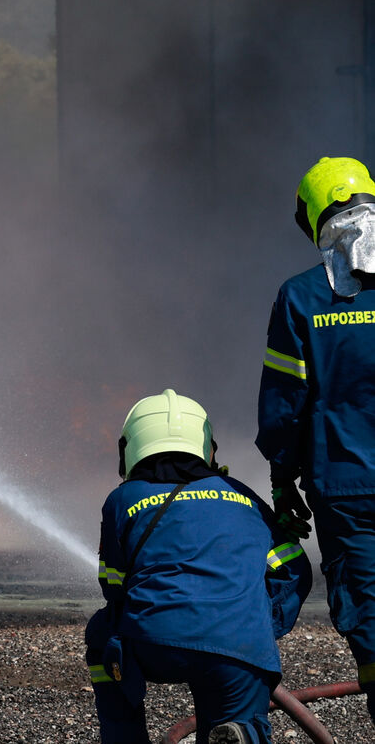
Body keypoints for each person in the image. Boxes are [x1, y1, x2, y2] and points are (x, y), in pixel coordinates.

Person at [88, 389, 310, 744]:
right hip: (241, 643)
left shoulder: (122, 500)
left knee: (101, 634)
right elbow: (294, 569)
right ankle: (238, 731)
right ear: (207, 446)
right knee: (237, 722)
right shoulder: (245, 497)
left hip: (155, 641)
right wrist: (261, 623)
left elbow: (112, 584)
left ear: (129, 448)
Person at [257, 154, 375, 722]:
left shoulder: (303, 297)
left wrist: (283, 482)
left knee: (371, 621)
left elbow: (285, 407)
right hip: (345, 492)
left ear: (313, 218)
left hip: (347, 496)